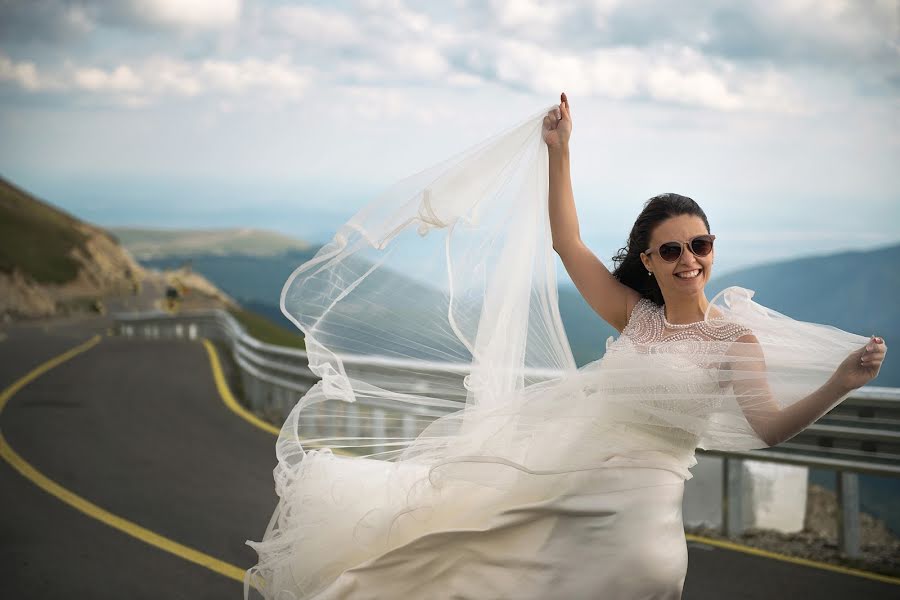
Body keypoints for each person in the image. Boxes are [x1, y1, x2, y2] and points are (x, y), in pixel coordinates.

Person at [244, 93, 887, 599]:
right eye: (672, 249)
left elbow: (770, 428)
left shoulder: (732, 339)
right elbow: (567, 242)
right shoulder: (633, 314)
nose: (689, 258)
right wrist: (561, 151)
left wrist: (840, 383)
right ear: (649, 260)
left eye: (701, 244)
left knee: (641, 581)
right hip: (571, 496)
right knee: (463, 564)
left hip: (644, 519)